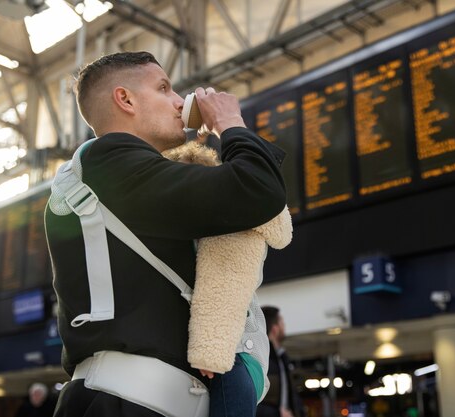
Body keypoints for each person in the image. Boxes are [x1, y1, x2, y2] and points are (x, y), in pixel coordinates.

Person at [45, 51, 286, 417]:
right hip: (128, 403)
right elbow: (257, 190)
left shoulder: (112, 173)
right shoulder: (114, 164)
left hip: (121, 401)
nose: (179, 102)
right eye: (164, 88)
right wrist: (230, 122)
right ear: (125, 99)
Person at [164, 141, 293, 417]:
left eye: (192, 178)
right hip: (214, 358)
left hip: (235, 357)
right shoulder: (182, 230)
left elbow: (223, 285)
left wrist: (212, 350)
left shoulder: (230, 228)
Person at [257, 306, 305, 417]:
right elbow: (251, 400)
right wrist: (277, 413)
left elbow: (292, 396)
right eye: (282, 323)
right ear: (275, 329)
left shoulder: (282, 359)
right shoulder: (262, 359)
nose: (285, 327)